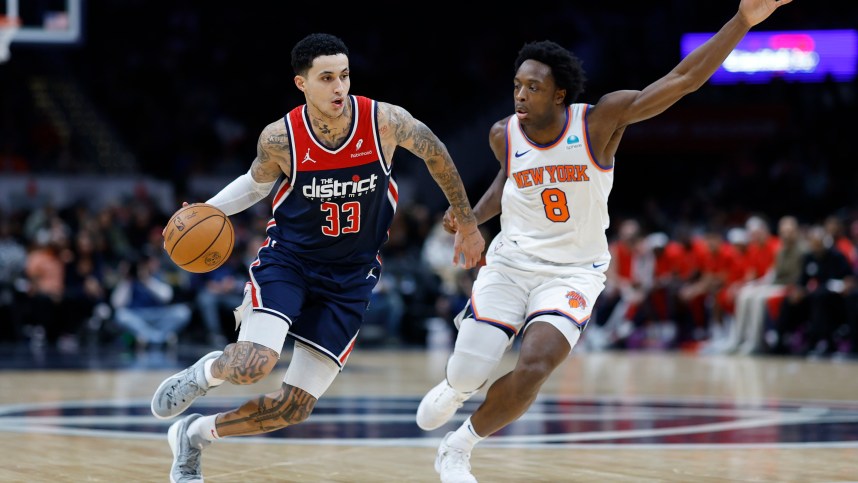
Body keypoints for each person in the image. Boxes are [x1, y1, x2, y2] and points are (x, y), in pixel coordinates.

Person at [414, 1, 793, 482]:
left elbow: (681, 80)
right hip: (510, 265)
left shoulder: (597, 122)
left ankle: (458, 446)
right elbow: (506, 186)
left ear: (560, 95)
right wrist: (467, 215)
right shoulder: (502, 134)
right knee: (470, 369)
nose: (521, 96)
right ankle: (457, 385)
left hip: (573, 272)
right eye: (516, 86)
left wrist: (742, 21)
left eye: (534, 87)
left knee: (535, 367)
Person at [149, 32, 485, 482]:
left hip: (350, 279)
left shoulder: (384, 122)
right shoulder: (280, 139)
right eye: (326, 78)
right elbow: (255, 185)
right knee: (252, 365)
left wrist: (466, 222)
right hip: (290, 264)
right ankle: (205, 372)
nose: (339, 87)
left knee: (292, 409)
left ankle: (194, 436)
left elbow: (437, 155)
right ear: (301, 83)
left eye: (344, 75)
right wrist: (206, 210)